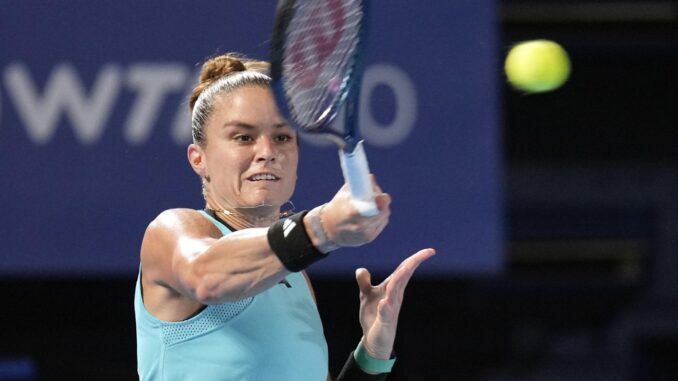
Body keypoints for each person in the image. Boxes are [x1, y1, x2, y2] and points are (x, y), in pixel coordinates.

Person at [134, 53, 435, 381]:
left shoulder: (295, 277)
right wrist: (322, 226)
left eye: (282, 137)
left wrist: (373, 351)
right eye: (243, 137)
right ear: (198, 158)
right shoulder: (171, 231)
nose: (267, 151)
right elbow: (206, 276)